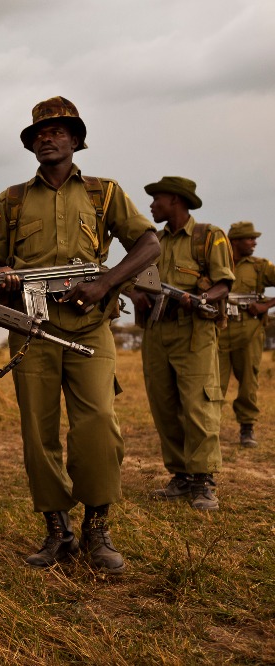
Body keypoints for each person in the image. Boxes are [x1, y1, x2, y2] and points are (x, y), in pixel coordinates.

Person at [0, 97, 160, 574]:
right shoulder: (10, 200)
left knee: (98, 423)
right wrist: (4, 278)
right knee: (38, 431)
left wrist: (104, 283)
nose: (47, 137)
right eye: (39, 132)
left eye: (59, 131)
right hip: (31, 328)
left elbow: (149, 243)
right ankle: (57, 529)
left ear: (76, 140)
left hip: (91, 325)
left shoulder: (105, 193)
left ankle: (97, 527)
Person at [129, 177, 234, 511]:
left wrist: (200, 298)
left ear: (174, 200)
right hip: (157, 332)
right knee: (164, 405)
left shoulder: (209, 237)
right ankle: (180, 476)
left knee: (199, 405)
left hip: (194, 333)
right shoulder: (153, 242)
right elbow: (142, 283)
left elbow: (223, 284)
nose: (151, 206)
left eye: (156, 199)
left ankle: (203, 480)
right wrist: (139, 296)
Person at [218, 221, 275, 448]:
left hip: (249, 332)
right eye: (249, 238)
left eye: (254, 238)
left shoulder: (260, 266)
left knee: (248, 383)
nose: (254, 242)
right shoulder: (217, 263)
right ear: (235, 241)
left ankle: (247, 427)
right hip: (218, 332)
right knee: (213, 384)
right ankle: (208, 427)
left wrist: (266, 306)